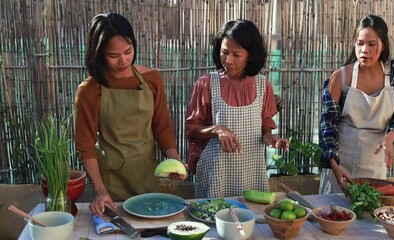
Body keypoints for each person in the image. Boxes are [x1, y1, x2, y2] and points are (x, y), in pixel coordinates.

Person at [74, 12, 187, 215]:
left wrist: (174, 160)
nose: (123, 60)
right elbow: (85, 146)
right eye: (113, 55)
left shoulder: (152, 79)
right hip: (111, 183)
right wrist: (99, 190)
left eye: (128, 51)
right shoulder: (89, 91)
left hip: (147, 174)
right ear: (98, 53)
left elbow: (162, 127)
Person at [185, 19, 289, 199]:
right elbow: (192, 129)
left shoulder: (263, 86)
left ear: (251, 55)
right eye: (224, 52)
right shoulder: (206, 84)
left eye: (236, 54)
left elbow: (265, 129)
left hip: (251, 171)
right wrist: (217, 130)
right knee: (214, 220)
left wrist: (271, 138)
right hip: (215, 172)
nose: (229, 60)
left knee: (253, 222)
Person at [319, 15, 394, 194]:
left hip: (375, 166)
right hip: (340, 167)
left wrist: (391, 136)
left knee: (370, 217)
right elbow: (327, 126)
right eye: (360, 43)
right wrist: (334, 166)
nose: (365, 50)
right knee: (335, 216)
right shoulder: (340, 77)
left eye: (372, 44)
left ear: (383, 45)